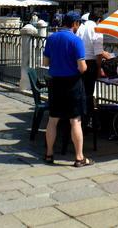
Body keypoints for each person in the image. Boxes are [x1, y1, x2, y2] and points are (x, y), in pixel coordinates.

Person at [42, 11, 92, 167]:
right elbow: (82, 67)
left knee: (52, 120)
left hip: (55, 83)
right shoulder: (76, 40)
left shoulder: (51, 38)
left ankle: (49, 154)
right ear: (75, 24)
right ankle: (79, 157)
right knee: (75, 120)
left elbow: (45, 61)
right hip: (72, 84)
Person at [77, 13, 104, 123]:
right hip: (91, 64)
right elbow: (98, 54)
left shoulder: (80, 28)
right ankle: (86, 119)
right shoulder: (97, 30)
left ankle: (80, 117)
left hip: (79, 62)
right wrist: (99, 68)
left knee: (80, 91)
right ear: (98, 20)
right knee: (88, 93)